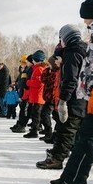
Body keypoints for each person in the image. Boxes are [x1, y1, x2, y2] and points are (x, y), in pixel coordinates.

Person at [50, 0, 93, 184]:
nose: (84, 22)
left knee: (89, 137)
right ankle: (75, 177)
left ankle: (74, 178)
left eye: (85, 17)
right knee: (90, 136)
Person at [37, 25, 87, 169]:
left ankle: (57, 159)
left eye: (61, 39)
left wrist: (63, 100)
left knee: (66, 129)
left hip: (75, 98)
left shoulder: (72, 52)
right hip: (82, 97)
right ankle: (58, 153)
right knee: (67, 128)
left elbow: (71, 79)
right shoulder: (82, 49)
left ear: (65, 38)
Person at [23, 50, 47, 138]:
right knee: (35, 114)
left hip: (38, 96)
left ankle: (35, 131)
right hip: (36, 95)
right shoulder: (37, 69)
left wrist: (28, 82)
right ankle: (36, 130)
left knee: (36, 115)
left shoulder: (39, 69)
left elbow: (39, 83)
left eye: (33, 59)